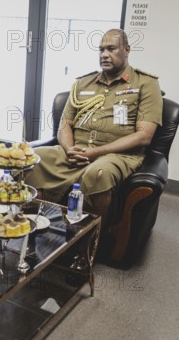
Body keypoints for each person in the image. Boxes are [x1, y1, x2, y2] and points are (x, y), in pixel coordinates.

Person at [25, 29, 163, 227]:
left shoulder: (146, 84)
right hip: (76, 150)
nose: (104, 54)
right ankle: (35, 227)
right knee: (31, 160)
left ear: (126, 50)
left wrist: (96, 152)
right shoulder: (83, 83)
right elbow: (65, 124)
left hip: (118, 155)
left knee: (97, 173)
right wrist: (69, 149)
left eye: (111, 49)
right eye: (101, 49)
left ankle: (86, 243)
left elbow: (144, 136)